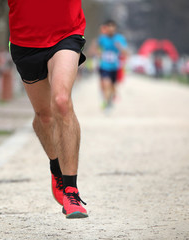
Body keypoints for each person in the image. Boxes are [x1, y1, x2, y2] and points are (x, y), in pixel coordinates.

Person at [7, 0, 88, 218]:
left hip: (66, 33)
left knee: (61, 101)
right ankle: (56, 167)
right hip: (25, 40)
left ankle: (71, 191)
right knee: (44, 116)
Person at [96, 20, 127, 109]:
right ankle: (106, 102)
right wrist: (99, 53)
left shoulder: (120, 39)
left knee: (113, 86)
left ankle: (110, 99)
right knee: (106, 83)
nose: (111, 29)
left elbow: (125, 52)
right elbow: (98, 49)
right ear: (106, 28)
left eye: (112, 27)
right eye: (109, 27)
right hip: (104, 66)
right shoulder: (102, 38)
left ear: (115, 28)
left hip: (115, 66)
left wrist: (119, 47)